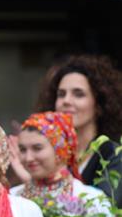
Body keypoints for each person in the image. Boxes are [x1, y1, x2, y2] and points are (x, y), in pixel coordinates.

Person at [32, 54, 122, 206]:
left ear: (99, 104)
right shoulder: (44, 154)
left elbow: (103, 215)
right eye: (61, 94)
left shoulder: (114, 156)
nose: (66, 101)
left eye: (78, 94)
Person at [11, 111, 110, 215]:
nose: (28, 158)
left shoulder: (92, 200)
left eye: (37, 148)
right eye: (22, 150)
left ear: (60, 150)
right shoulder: (13, 198)